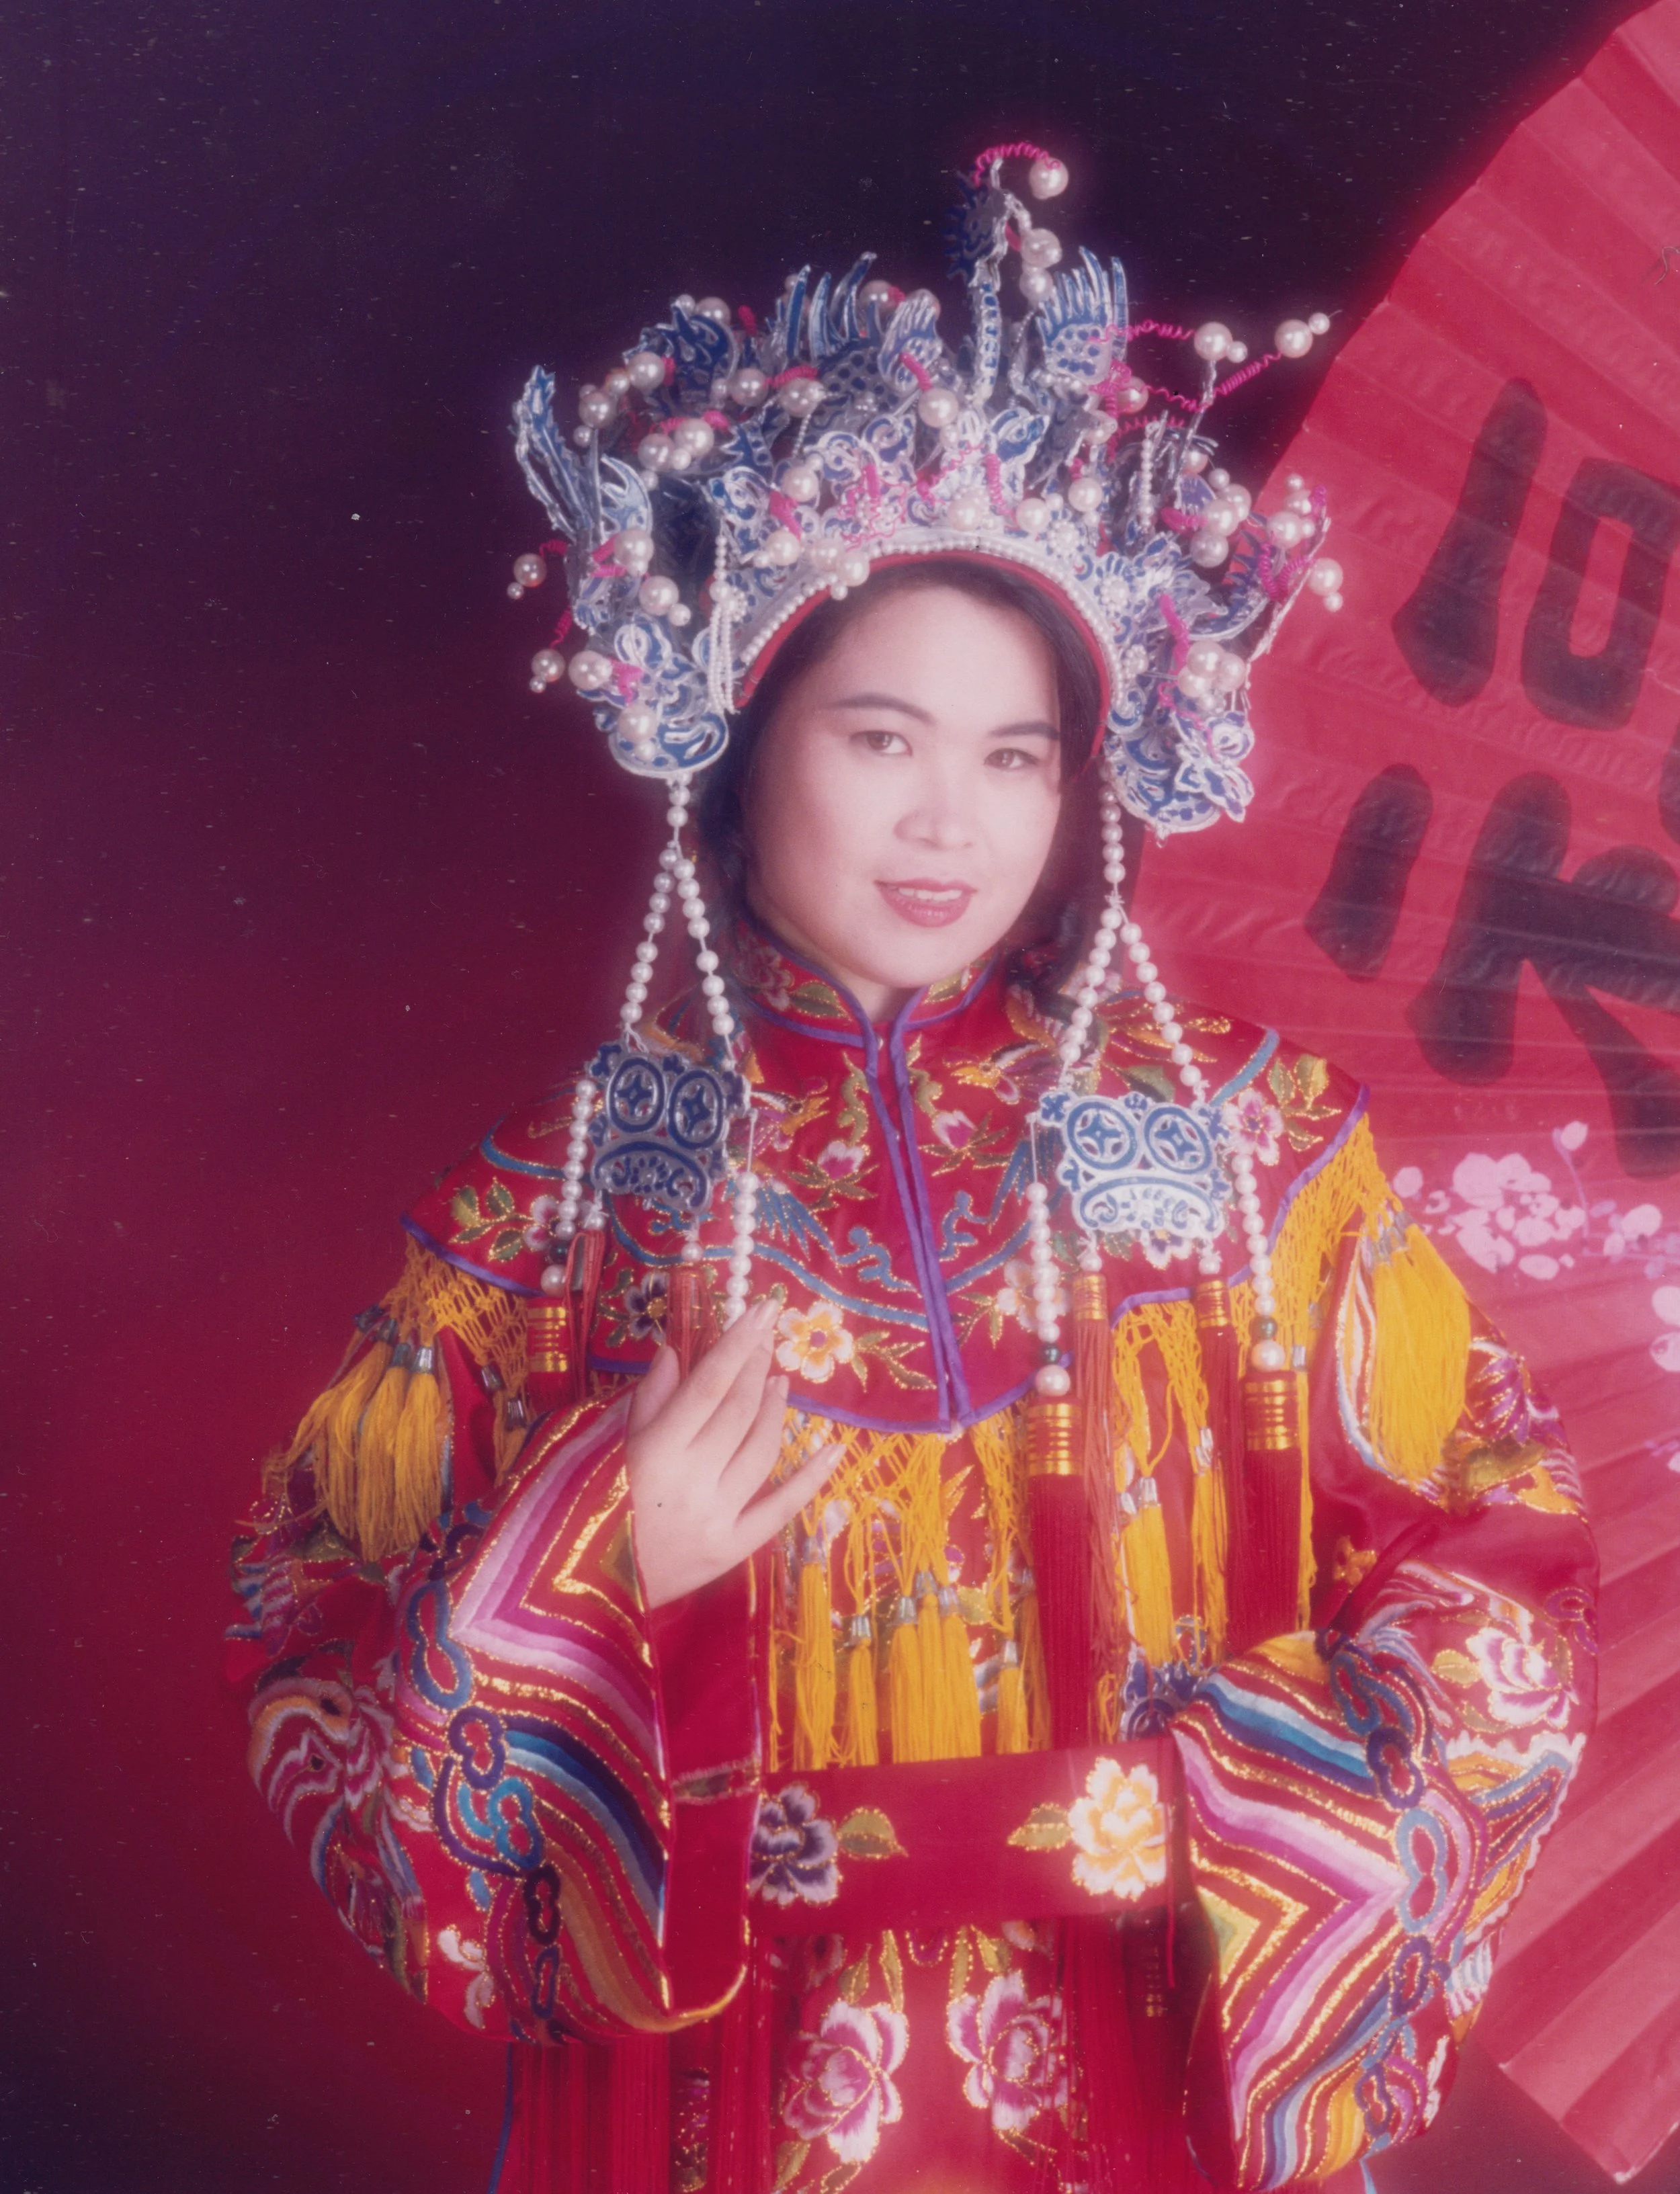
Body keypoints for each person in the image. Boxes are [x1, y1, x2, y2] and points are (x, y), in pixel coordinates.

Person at [227, 148, 1596, 2194]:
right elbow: (309, 1652)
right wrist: (594, 1566)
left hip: (1142, 2066)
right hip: (718, 2092)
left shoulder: (1247, 1158)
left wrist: (1248, 1794)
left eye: (1015, 753)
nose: (949, 820)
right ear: (749, 743)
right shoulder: (560, 1215)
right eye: (882, 738)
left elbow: (1495, 1559)